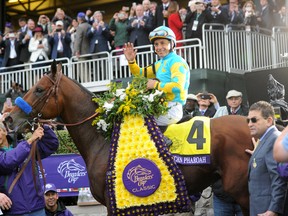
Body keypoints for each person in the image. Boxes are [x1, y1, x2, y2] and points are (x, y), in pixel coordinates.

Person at [123, 25, 190, 127]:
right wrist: (131, 61)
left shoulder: (177, 61)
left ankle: (164, 142)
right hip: (161, 106)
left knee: (136, 122)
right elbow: (140, 73)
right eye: (156, 44)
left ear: (172, 44)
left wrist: (155, 85)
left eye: (162, 43)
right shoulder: (159, 63)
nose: (159, 47)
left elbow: (177, 87)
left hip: (172, 109)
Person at [0, 122, 59, 215]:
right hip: (14, 210)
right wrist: (30, 140)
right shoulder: (26, 145)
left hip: (37, 207)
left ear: (5, 132)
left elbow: (51, 145)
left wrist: (42, 126)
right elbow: (7, 161)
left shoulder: (24, 145)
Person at [245, 101, 288, 216]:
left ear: (269, 121)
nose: (249, 124)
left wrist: (273, 210)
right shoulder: (265, 140)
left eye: (254, 120)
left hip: (267, 211)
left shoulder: (274, 141)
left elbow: (279, 180)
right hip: (260, 208)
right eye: (248, 120)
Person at [212, 89, 247, 216]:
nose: (233, 100)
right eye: (231, 98)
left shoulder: (248, 113)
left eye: (236, 98)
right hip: (222, 196)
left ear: (241, 100)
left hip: (244, 194)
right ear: (227, 100)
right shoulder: (221, 111)